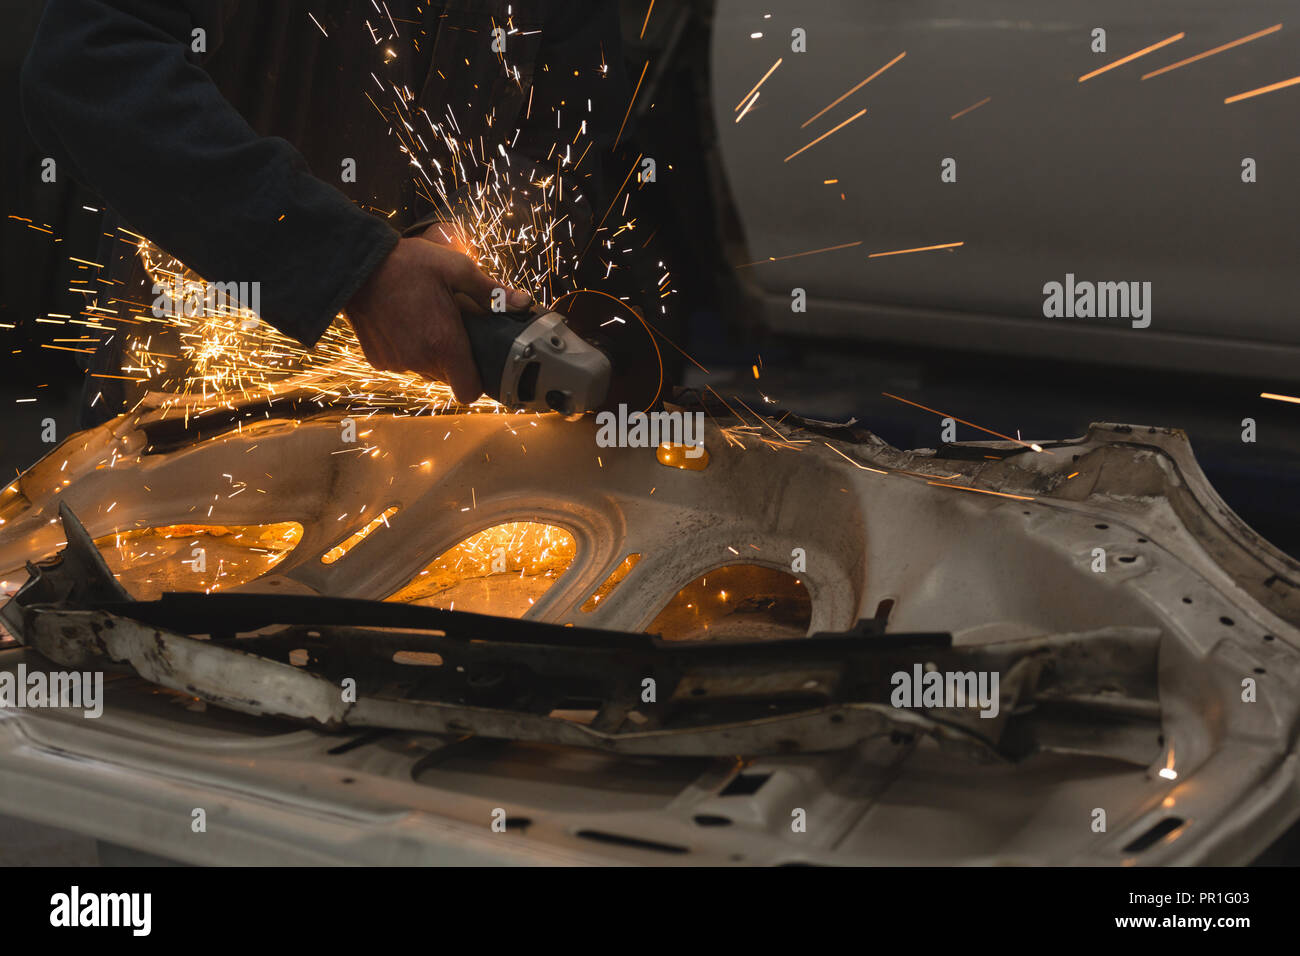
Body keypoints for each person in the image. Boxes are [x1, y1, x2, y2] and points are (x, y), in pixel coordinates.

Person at [20, 0, 629, 417]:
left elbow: (564, 141)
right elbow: (89, 65)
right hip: (193, 406)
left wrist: (467, 240)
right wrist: (350, 266)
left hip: (428, 440)